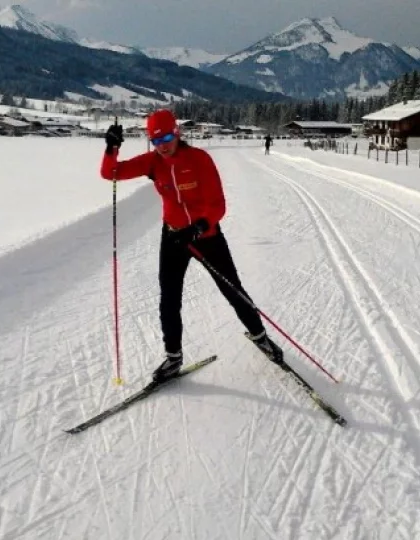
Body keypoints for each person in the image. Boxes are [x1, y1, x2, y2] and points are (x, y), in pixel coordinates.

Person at [100, 109, 283, 381]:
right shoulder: (152, 163)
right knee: (169, 299)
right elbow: (111, 173)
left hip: (206, 236)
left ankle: (260, 337)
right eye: (156, 141)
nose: (162, 147)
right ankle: (173, 357)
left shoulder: (199, 159)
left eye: (167, 139)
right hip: (173, 238)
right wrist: (111, 147)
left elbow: (218, 205)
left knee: (232, 289)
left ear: (178, 133)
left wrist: (198, 227)